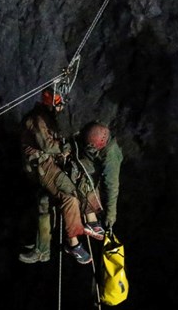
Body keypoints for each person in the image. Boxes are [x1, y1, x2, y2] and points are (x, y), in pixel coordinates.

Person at [18, 87, 102, 265]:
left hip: (51, 162)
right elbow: (47, 145)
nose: (60, 109)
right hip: (42, 166)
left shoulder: (47, 118)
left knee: (83, 177)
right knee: (69, 197)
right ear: (50, 105)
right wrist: (64, 148)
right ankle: (73, 244)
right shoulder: (37, 119)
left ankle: (91, 219)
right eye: (58, 106)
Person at [72, 122, 122, 236]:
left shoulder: (111, 157)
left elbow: (112, 185)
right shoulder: (98, 130)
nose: (90, 147)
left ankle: (93, 222)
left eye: (92, 146)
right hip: (92, 162)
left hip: (97, 171)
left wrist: (111, 215)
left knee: (86, 184)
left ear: (100, 144)